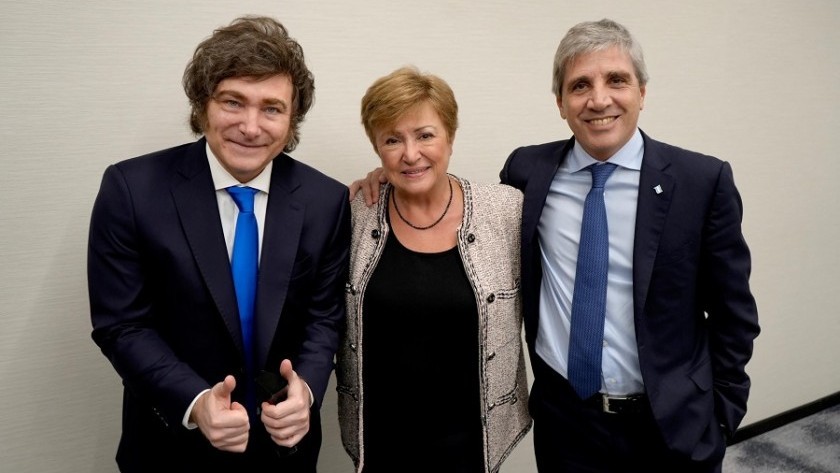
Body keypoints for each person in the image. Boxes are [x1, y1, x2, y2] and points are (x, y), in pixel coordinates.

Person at [350, 19, 759, 473]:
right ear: (561, 102)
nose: (598, 99)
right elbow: (458, 207)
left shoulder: (701, 182)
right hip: (566, 422)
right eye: (580, 85)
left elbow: (734, 316)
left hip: (670, 424)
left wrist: (722, 417)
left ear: (642, 92)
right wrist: (390, 176)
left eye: (616, 80)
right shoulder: (528, 174)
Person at [87, 15, 350, 472]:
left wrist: (305, 390)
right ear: (203, 104)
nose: (250, 126)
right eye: (233, 102)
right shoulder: (131, 189)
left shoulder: (326, 200)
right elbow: (122, 325)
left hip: (283, 452)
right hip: (170, 447)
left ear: (291, 119)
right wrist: (194, 400)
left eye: (272, 108)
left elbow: (324, 318)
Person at [335, 66, 531, 473]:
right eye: (393, 140)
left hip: (472, 446)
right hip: (380, 445)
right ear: (377, 148)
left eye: (425, 135)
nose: (410, 154)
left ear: (450, 137)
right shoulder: (354, 216)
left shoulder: (506, 211)